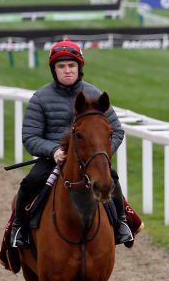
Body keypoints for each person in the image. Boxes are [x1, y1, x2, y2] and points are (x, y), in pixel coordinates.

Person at [9, 39, 133, 248]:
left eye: (71, 66)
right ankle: (19, 228)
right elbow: (30, 137)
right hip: (53, 159)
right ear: (54, 70)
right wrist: (54, 151)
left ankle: (121, 222)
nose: (67, 71)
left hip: (88, 160)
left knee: (111, 179)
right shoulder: (40, 98)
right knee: (30, 183)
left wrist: (100, 154)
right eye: (61, 66)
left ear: (79, 67)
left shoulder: (95, 94)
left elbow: (117, 131)